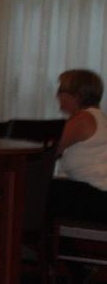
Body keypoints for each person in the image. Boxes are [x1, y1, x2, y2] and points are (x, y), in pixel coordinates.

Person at [51, 69, 107, 223]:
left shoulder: (83, 119)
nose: (57, 96)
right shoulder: (100, 118)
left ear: (77, 95)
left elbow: (50, 151)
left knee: (38, 191)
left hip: (96, 196)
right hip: (98, 194)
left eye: (60, 91)